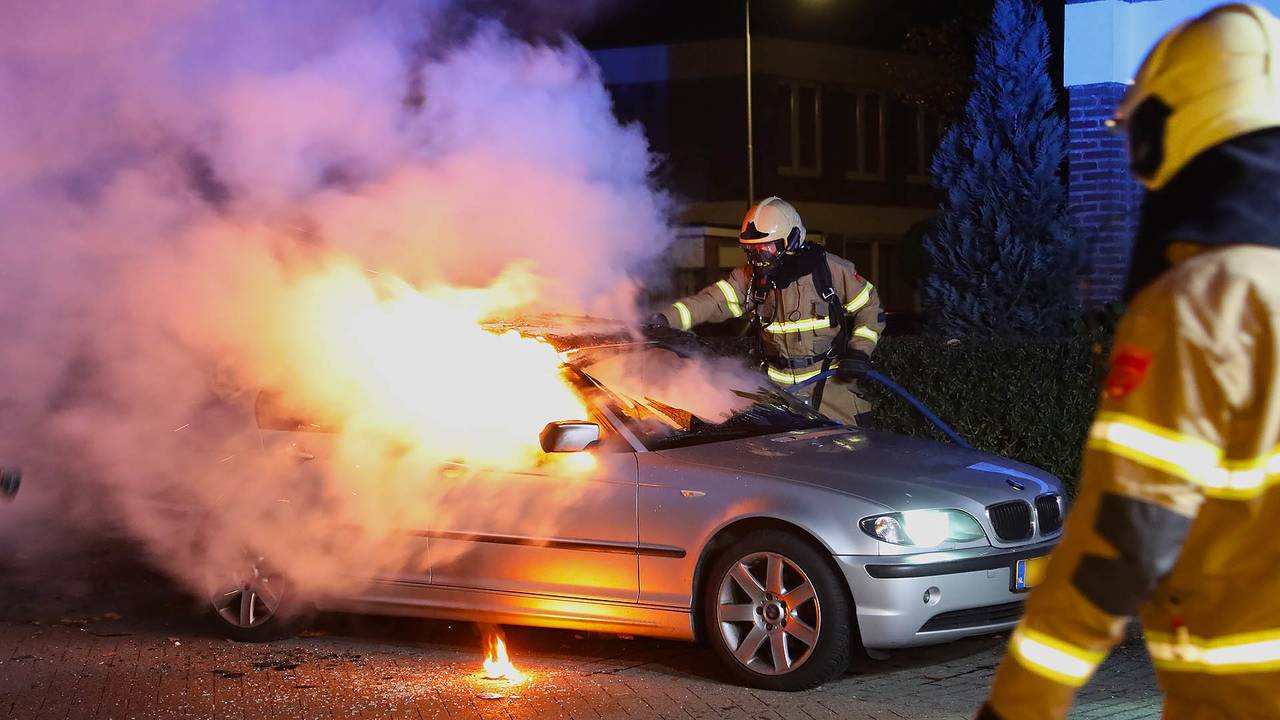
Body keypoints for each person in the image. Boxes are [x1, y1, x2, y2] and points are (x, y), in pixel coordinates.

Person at [978, 4, 1280, 718]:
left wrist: (1019, 703)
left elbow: (1127, 531)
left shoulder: (1202, 300)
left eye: (1139, 136)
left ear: (1184, 121)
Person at [649, 197, 884, 425]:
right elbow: (711, 302)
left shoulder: (830, 271)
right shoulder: (749, 278)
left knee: (845, 455)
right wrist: (664, 320)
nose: (758, 257)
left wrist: (859, 352)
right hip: (780, 394)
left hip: (831, 389)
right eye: (752, 250)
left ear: (791, 240)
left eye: (765, 248)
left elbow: (870, 306)